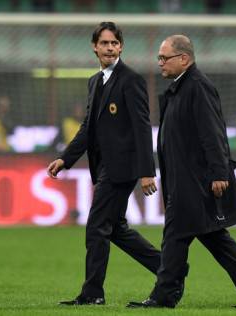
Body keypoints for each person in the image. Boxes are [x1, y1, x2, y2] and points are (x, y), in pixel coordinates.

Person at [127, 35, 236, 309]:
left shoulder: (198, 87)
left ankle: (164, 295)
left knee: (175, 235)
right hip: (185, 178)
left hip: (195, 179)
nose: (160, 63)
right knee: (212, 236)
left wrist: (219, 173)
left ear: (184, 58)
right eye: (159, 58)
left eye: (164, 58)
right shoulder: (181, 87)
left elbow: (213, 134)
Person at [47, 22, 161, 306]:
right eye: (104, 43)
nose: (110, 48)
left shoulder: (131, 80)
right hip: (105, 168)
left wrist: (148, 171)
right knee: (116, 229)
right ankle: (169, 268)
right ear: (94, 47)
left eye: (114, 43)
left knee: (96, 227)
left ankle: (92, 293)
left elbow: (142, 127)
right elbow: (89, 127)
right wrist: (65, 158)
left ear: (121, 47)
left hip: (122, 169)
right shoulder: (95, 81)